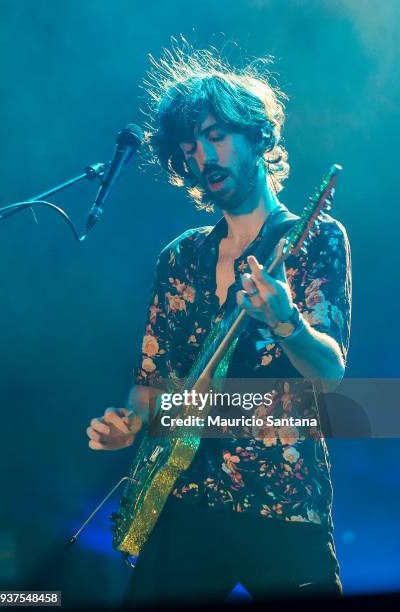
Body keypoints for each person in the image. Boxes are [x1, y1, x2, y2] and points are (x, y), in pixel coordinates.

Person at [86, 45, 351, 606]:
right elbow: (152, 380)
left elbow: (330, 377)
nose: (203, 157)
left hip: (280, 500)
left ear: (257, 136)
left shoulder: (316, 238)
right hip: (185, 499)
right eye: (189, 149)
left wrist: (286, 323)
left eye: (215, 137)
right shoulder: (179, 259)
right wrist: (129, 422)